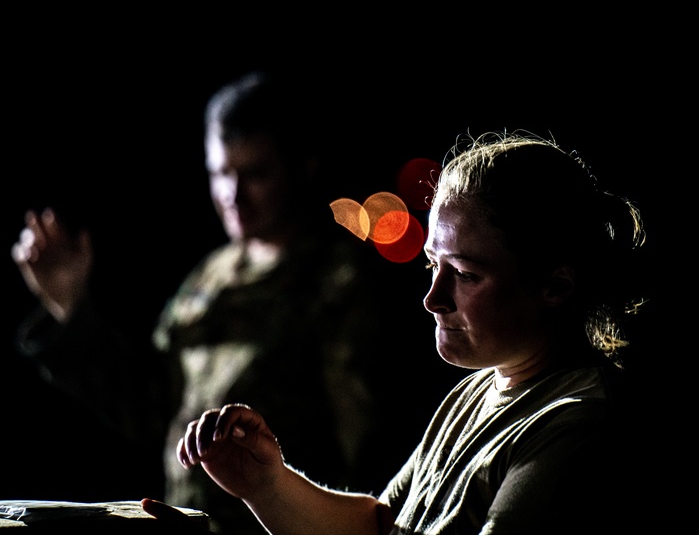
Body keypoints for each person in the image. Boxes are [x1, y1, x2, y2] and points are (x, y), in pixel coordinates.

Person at [142, 129, 652, 534]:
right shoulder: (475, 393)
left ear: (556, 286)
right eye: (432, 265)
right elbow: (383, 524)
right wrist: (266, 484)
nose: (433, 298)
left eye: (466, 274)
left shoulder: (575, 424)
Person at [10, 71, 434, 534]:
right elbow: (152, 407)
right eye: (220, 173)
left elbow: (369, 448)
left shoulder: (339, 283)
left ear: (302, 167)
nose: (234, 195)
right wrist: (71, 309)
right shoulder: (212, 276)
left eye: (256, 174)